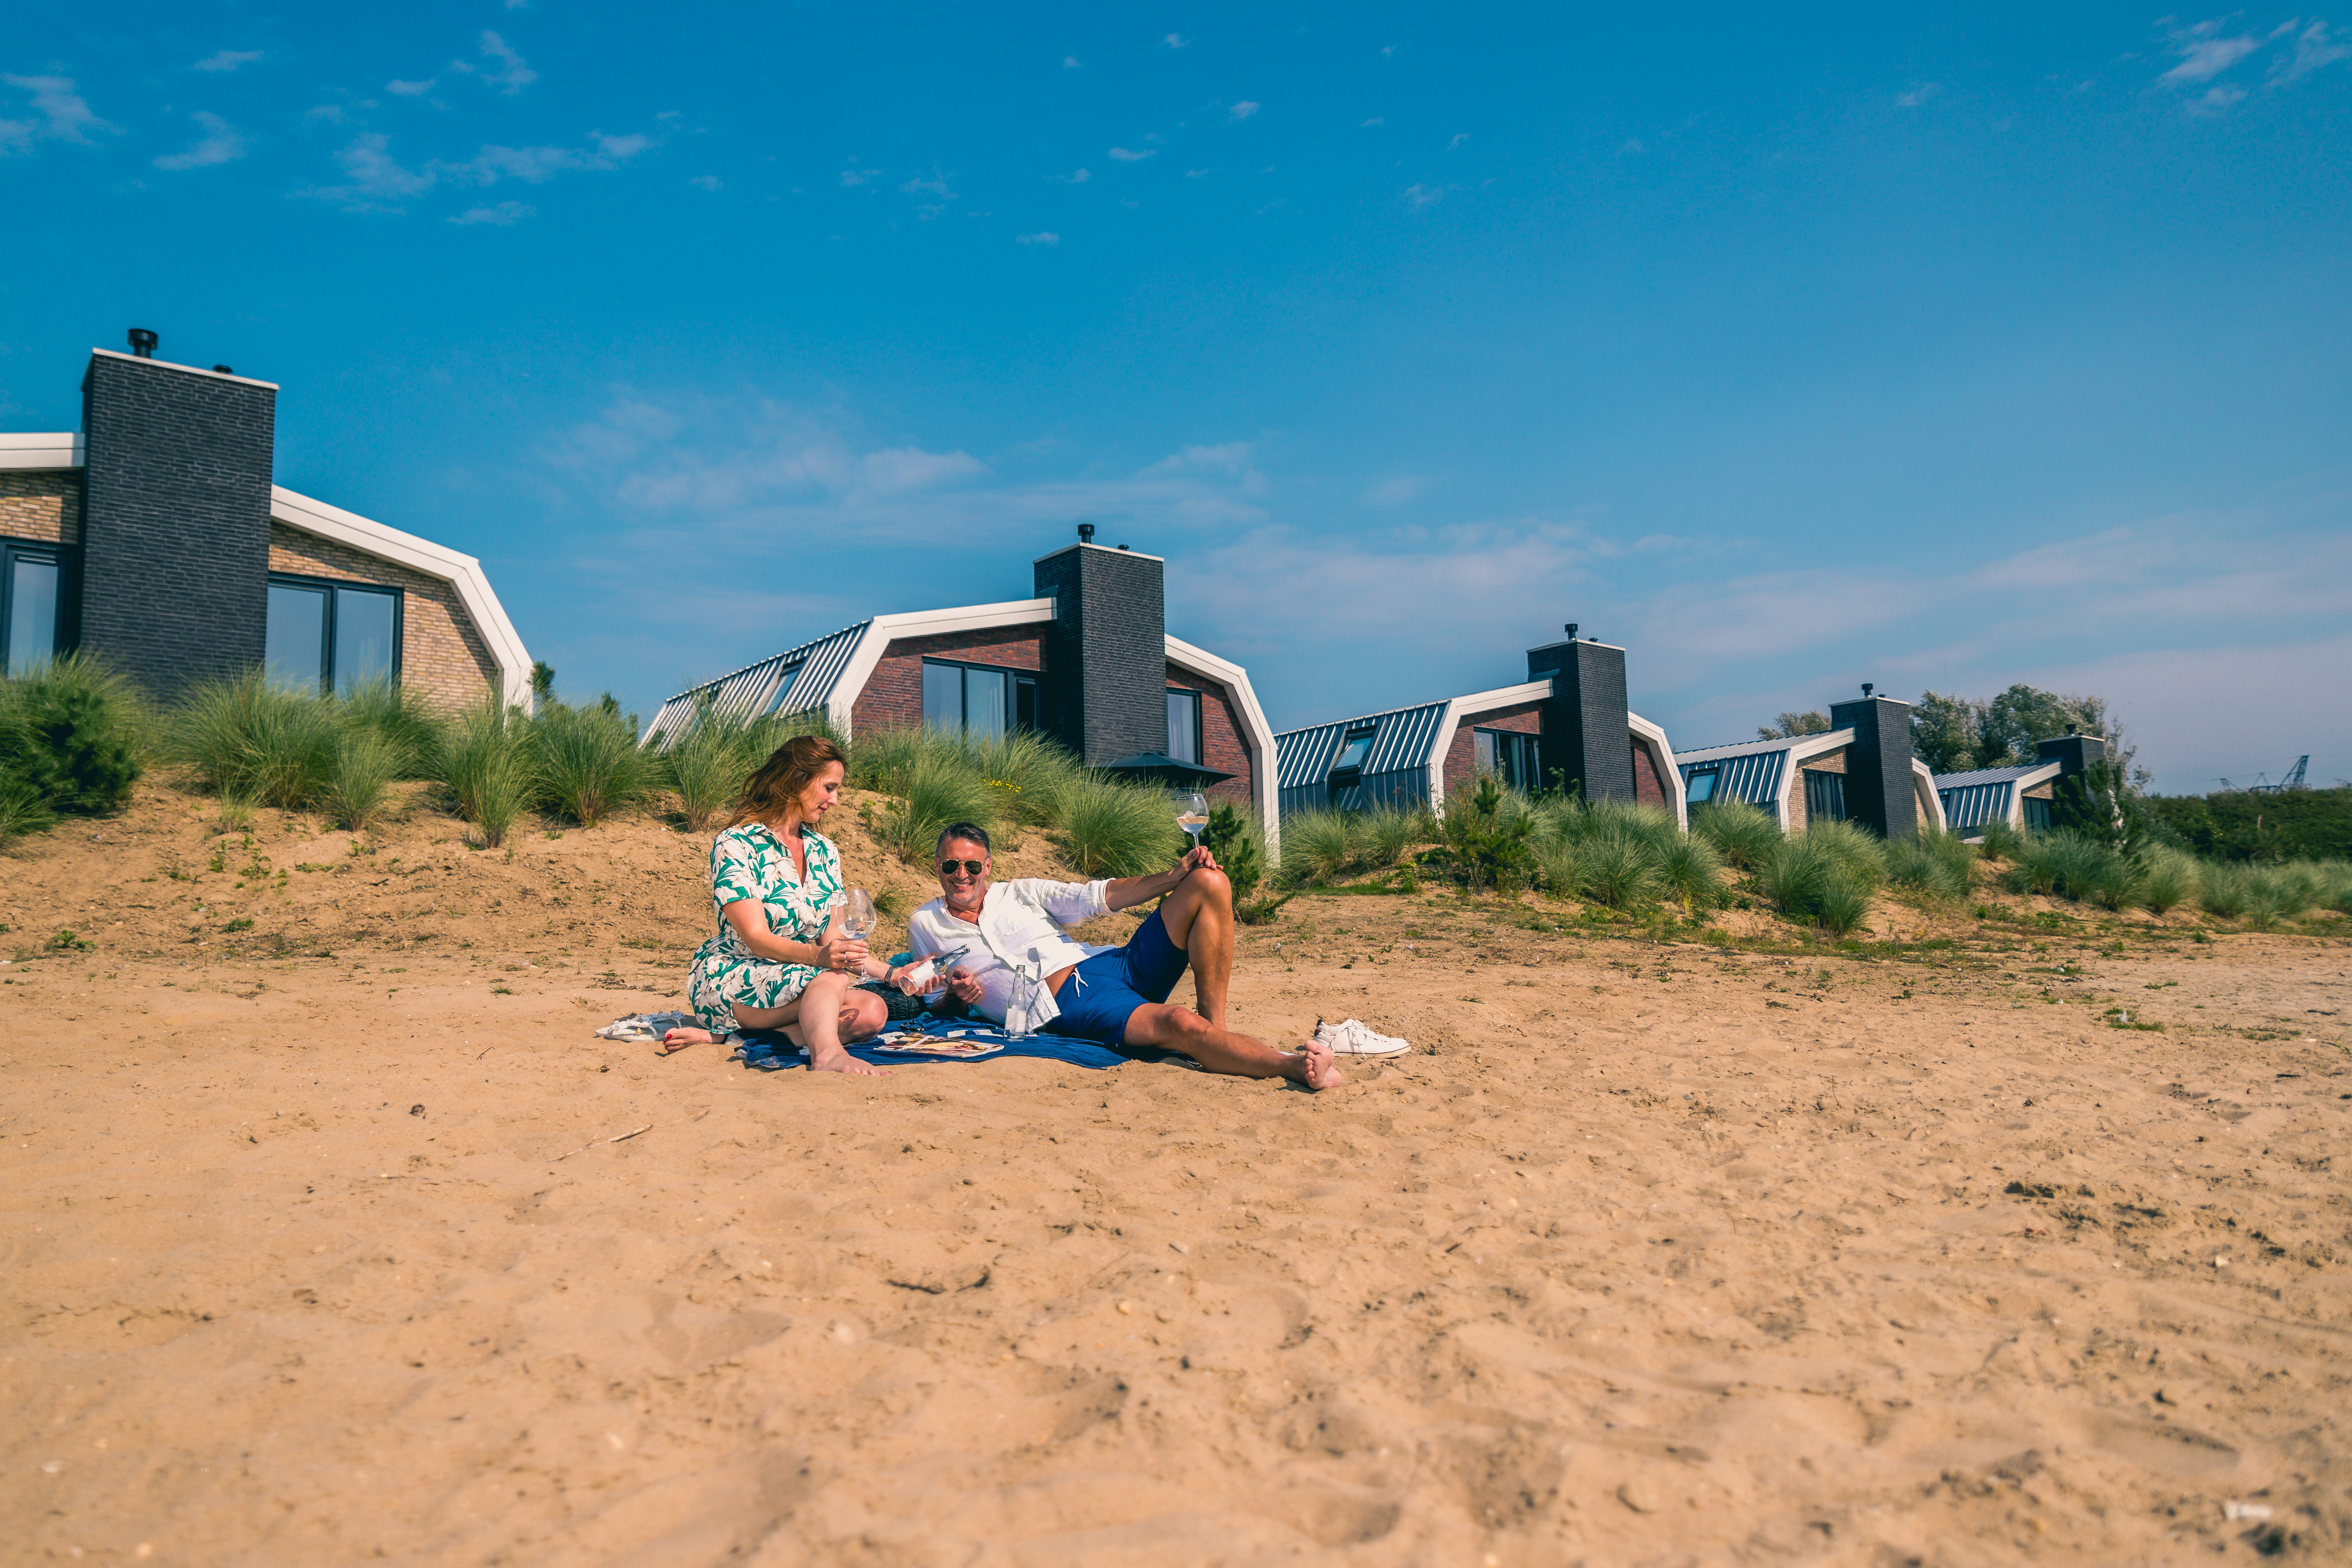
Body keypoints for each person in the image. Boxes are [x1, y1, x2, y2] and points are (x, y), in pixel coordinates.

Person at [906, 821, 1340, 1090]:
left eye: (972, 866)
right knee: (1177, 1022)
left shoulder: (1018, 892)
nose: (961, 875)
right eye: (950, 866)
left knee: (1209, 881)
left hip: (1110, 964)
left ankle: (1218, 1032)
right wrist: (959, 996)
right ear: (938, 866)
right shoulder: (926, 924)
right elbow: (935, 1003)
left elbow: (1100, 896)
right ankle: (1293, 1066)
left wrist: (1175, 875)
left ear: (988, 865)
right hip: (1067, 1002)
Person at [663, 734, 922, 1074]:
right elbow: (756, 937)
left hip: (800, 977)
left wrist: (893, 974)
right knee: (833, 979)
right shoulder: (736, 843)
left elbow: (833, 941)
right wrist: (819, 959)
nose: (836, 799)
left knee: (872, 1011)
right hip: (735, 974)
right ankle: (827, 1056)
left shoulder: (825, 851)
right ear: (797, 780)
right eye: (829, 787)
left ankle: (730, 1038)